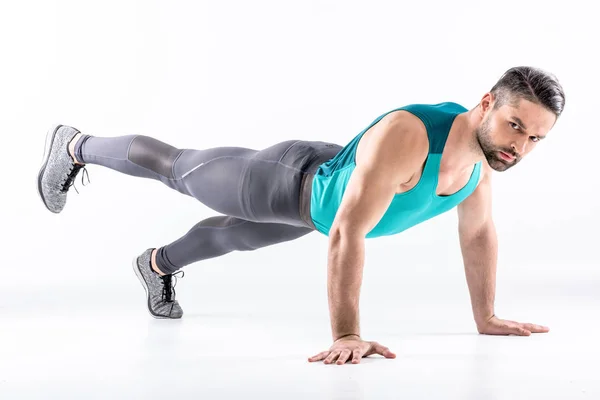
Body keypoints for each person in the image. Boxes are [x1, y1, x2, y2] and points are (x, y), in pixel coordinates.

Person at [37, 66, 565, 365]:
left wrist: (486, 317)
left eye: (535, 138)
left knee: (232, 239)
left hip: (319, 207)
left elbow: (477, 235)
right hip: (285, 179)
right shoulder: (413, 134)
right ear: (487, 103)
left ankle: (155, 266)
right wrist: (346, 334)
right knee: (179, 169)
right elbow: (348, 232)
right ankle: (76, 144)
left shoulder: (482, 161)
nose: (520, 145)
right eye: (516, 125)